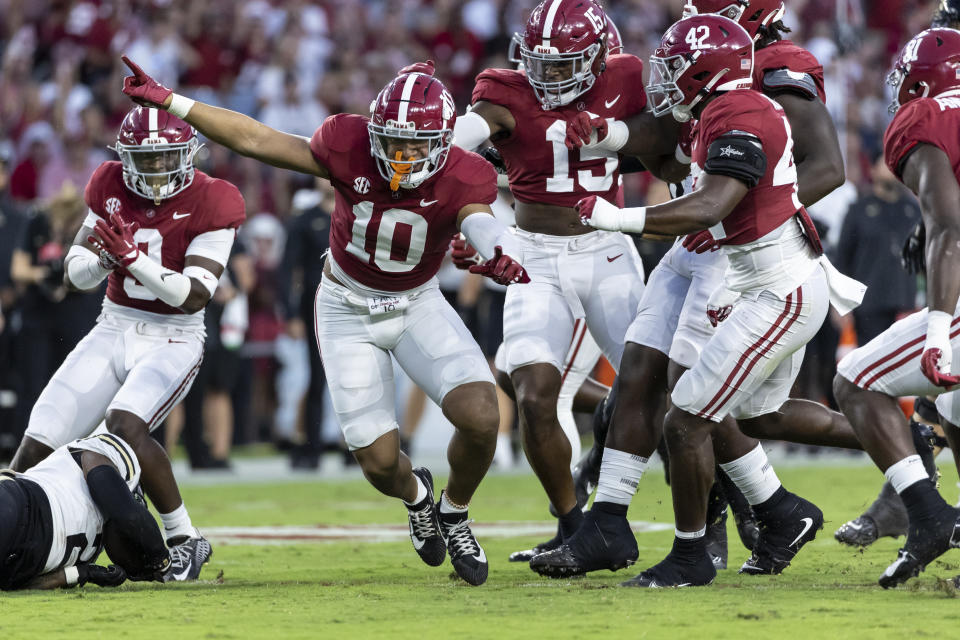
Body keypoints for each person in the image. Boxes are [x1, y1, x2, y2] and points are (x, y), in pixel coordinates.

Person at [119, 56, 530, 586]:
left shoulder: (465, 170)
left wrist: (498, 250)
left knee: (481, 417)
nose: (400, 156)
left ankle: (453, 513)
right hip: (346, 305)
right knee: (382, 465)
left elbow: (481, 220)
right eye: (391, 140)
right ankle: (419, 496)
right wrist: (175, 102)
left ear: (442, 143)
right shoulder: (347, 143)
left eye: (414, 145)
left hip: (416, 301)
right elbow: (258, 139)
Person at [532, 0, 863, 579]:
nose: (662, 76)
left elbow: (818, 170)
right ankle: (624, 522)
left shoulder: (764, 85)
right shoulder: (712, 95)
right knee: (664, 385)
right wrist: (606, 133)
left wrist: (724, 217)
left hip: (748, 263)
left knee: (693, 408)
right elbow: (669, 146)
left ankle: (707, 543)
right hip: (707, 240)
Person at [453, 0, 678, 558]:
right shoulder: (503, 90)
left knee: (662, 389)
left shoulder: (628, 76)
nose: (550, 77)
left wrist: (616, 131)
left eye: (564, 65)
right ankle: (575, 524)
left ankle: (710, 518)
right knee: (530, 392)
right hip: (534, 254)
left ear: (602, 56)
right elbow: (459, 142)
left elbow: (668, 131)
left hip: (606, 251)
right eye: (540, 64)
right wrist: (473, 221)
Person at [8, 105, 245, 582]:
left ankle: (185, 539)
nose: (155, 170)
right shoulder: (109, 183)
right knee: (37, 441)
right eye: (145, 159)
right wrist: (104, 261)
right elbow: (76, 273)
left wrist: (131, 259)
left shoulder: (215, 199)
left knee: (126, 425)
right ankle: (18, 546)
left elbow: (193, 294)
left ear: (187, 155)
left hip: (174, 335)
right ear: (125, 157)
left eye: (164, 158)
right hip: (114, 325)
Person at [833, 27, 960, 588]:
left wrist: (935, 329)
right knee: (954, 412)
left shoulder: (926, 117)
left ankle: (928, 515)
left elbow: (949, 227)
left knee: (855, 380)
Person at [0, 431, 170, 590]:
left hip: (19, 561)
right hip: (26, 505)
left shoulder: (90, 552)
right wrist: (163, 561)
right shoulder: (101, 456)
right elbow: (128, 515)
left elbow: (17, 584)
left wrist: (80, 574)